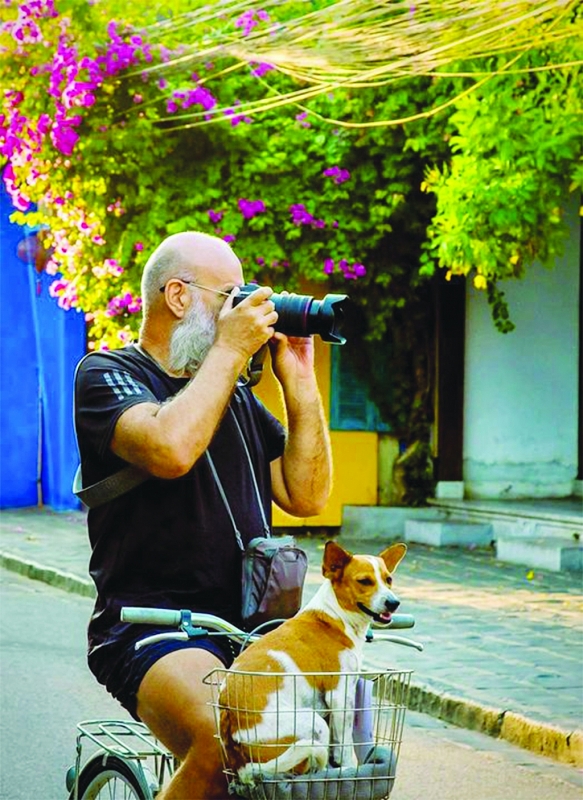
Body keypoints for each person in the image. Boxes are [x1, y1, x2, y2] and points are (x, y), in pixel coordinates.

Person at [73, 230, 332, 799]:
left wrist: (300, 377)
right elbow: (170, 448)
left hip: (255, 629)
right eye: (230, 296)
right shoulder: (107, 375)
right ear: (178, 296)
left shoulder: (233, 393)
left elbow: (307, 494)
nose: (244, 311)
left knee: (322, 752)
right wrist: (232, 350)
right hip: (151, 627)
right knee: (228, 740)